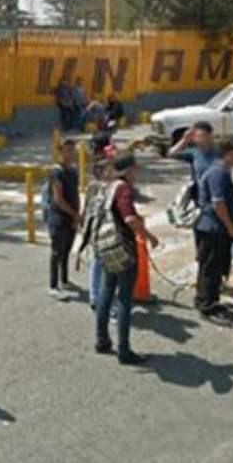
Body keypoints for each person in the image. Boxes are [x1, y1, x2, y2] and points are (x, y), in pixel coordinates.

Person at [93, 154, 160, 365]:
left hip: (107, 246)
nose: (138, 171)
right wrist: (149, 236)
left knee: (106, 293)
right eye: (136, 168)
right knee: (124, 298)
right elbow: (129, 218)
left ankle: (102, 340)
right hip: (123, 248)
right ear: (130, 169)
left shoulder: (108, 186)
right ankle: (124, 350)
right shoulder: (123, 189)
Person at [194, 140, 233, 317]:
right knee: (211, 267)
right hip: (213, 227)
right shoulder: (219, 172)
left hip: (214, 226)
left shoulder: (221, 170)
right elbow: (218, 203)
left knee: (214, 266)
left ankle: (209, 299)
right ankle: (206, 304)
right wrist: (230, 226)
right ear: (229, 154)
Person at [76, 156, 116, 309]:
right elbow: (88, 208)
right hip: (100, 231)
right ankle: (97, 297)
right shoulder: (99, 187)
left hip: (103, 230)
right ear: (100, 173)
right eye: (109, 170)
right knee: (100, 263)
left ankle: (97, 295)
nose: (112, 173)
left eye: (112, 170)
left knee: (100, 263)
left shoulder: (107, 186)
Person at [46, 140, 81, 300]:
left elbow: (76, 193)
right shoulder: (56, 172)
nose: (71, 154)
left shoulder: (73, 171)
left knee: (67, 250)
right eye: (68, 151)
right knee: (57, 252)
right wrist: (73, 213)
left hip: (71, 216)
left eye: (73, 150)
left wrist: (77, 214)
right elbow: (58, 199)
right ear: (60, 152)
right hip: (58, 217)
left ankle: (65, 280)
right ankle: (53, 286)